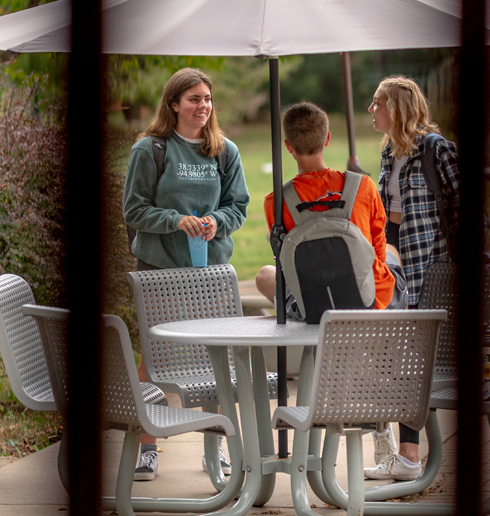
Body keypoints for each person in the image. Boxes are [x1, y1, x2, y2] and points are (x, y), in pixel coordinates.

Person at [122, 68, 249, 481]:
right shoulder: (150, 150)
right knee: (152, 361)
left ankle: (216, 446)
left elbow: (239, 206)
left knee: (215, 359)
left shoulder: (224, 151)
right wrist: (175, 220)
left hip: (211, 275)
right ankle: (147, 447)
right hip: (159, 271)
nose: (203, 106)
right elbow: (134, 210)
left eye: (208, 99)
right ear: (174, 104)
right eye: (194, 99)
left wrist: (217, 221)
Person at [364, 75, 460, 481]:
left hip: (431, 264)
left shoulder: (436, 149)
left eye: (377, 103)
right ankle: (400, 454)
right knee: (394, 356)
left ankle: (408, 455)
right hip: (396, 258)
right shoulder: (389, 153)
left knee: (415, 360)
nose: (372, 110)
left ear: (397, 108)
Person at [255, 102, 407, 318]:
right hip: (372, 301)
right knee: (391, 250)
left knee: (264, 275)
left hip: (313, 306)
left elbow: (283, 260)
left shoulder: (275, 201)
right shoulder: (363, 186)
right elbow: (378, 248)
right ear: (327, 139)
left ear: (289, 146)